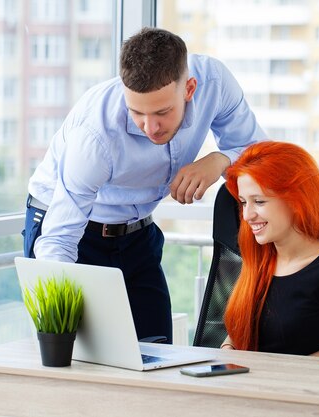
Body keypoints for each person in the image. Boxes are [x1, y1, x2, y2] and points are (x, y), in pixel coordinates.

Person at [23, 27, 266, 343]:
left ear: (189, 89)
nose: (150, 127)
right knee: (88, 356)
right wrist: (57, 319)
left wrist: (219, 160)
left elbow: (263, 154)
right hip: (70, 227)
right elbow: (60, 237)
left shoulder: (214, 84)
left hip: (137, 232)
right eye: (137, 112)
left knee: (157, 347)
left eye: (162, 112)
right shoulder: (96, 135)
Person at [220, 141, 319, 361]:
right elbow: (239, 329)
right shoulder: (260, 259)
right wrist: (228, 353)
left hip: (308, 390)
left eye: (258, 201)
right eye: (242, 203)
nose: (247, 215)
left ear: (297, 200)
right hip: (253, 385)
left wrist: (283, 376)